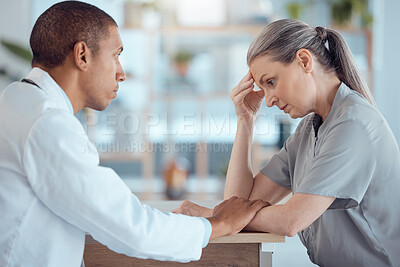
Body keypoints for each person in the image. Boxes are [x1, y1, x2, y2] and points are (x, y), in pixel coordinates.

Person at [0, 1, 269, 266]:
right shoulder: (47, 123)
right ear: (82, 55)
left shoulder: (17, 100)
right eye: (116, 54)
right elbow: (131, 227)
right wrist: (217, 224)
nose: (121, 73)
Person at [174, 19, 400, 266]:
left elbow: (291, 220)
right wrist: (246, 120)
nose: (268, 100)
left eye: (270, 82)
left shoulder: (353, 125)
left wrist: (212, 216)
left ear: (304, 61)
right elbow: (238, 202)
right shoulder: (308, 130)